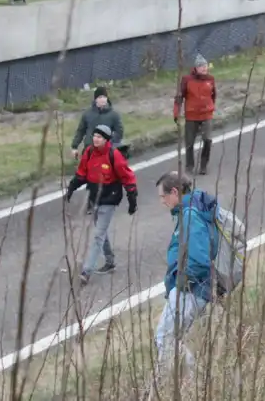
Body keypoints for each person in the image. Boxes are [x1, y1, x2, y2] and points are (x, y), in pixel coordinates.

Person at [152, 171, 215, 368]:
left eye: (163, 196)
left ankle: (180, 384)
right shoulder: (192, 209)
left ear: (174, 192)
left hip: (191, 288)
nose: (162, 202)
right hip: (194, 288)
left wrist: (181, 282)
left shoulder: (190, 215)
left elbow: (199, 259)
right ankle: (188, 383)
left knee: (165, 336)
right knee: (169, 336)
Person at [65, 124, 137, 285]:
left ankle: (86, 271)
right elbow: (82, 173)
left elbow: (128, 177)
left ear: (106, 140)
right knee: (101, 232)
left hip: (109, 199)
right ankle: (110, 261)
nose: (96, 139)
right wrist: (71, 188)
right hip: (94, 198)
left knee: (98, 235)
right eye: (95, 136)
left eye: (100, 137)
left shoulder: (115, 156)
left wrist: (132, 198)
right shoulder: (89, 152)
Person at [173, 55, 217, 176]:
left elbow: (213, 95)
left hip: (207, 114)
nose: (204, 68)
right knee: (189, 142)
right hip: (191, 116)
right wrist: (176, 113)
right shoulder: (187, 80)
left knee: (207, 140)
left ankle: (203, 165)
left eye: (205, 66)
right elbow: (179, 97)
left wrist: (211, 107)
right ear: (195, 68)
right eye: (201, 66)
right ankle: (189, 165)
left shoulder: (210, 79)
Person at [71, 86, 124, 157]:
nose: (102, 99)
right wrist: (74, 146)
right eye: (100, 97)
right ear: (96, 99)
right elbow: (80, 131)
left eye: (104, 97)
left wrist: (109, 143)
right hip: (90, 149)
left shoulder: (114, 115)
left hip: (106, 150)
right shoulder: (87, 114)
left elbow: (119, 132)